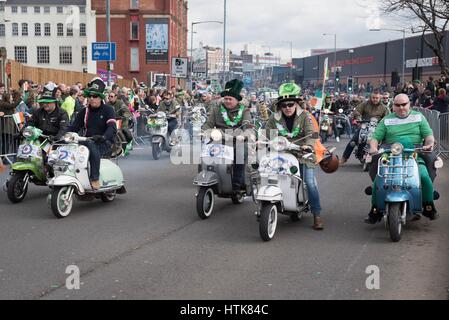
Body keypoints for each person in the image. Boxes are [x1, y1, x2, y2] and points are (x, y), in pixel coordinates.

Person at [366, 93, 437, 224]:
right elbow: (375, 137)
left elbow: (428, 135)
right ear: (393, 106)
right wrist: (373, 147)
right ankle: (375, 210)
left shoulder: (419, 117)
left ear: (409, 104)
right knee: (378, 179)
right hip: (390, 152)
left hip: (414, 151)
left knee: (425, 176)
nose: (401, 108)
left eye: (404, 104)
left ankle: (428, 204)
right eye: (397, 105)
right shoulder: (386, 120)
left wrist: (429, 144)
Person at [265, 83, 325, 230]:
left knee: (310, 182)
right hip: (282, 153)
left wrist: (308, 145)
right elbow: (268, 133)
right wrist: (264, 141)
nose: (287, 108)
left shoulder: (305, 116)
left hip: (303, 153)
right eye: (284, 105)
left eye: (291, 104)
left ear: (297, 104)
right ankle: (267, 204)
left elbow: (312, 134)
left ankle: (316, 214)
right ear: (279, 106)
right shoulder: (274, 118)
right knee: (265, 174)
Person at [202, 79, 251, 198]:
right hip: (219, 139)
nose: (227, 101)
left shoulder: (244, 111)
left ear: (237, 100)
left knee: (240, 155)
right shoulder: (216, 110)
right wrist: (204, 131)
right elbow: (208, 124)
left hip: (237, 140)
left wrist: (243, 135)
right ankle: (207, 177)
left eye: (230, 99)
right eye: (226, 98)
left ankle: (236, 186)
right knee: (205, 155)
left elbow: (248, 126)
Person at [68, 78, 117, 190]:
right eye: (89, 96)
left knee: (90, 144)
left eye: (95, 96)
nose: (91, 98)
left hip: (105, 143)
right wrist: (63, 134)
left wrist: (104, 137)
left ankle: (94, 178)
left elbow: (112, 127)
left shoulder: (108, 110)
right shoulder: (83, 112)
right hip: (86, 142)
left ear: (100, 98)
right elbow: (74, 127)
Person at [340, 90, 390, 164]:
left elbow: (387, 117)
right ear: (371, 97)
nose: (375, 99)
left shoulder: (384, 107)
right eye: (373, 97)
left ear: (380, 98)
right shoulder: (365, 104)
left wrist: (384, 122)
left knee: (387, 141)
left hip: (378, 127)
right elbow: (357, 110)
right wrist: (358, 118)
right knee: (353, 141)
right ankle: (344, 158)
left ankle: (386, 159)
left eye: (377, 98)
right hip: (365, 125)